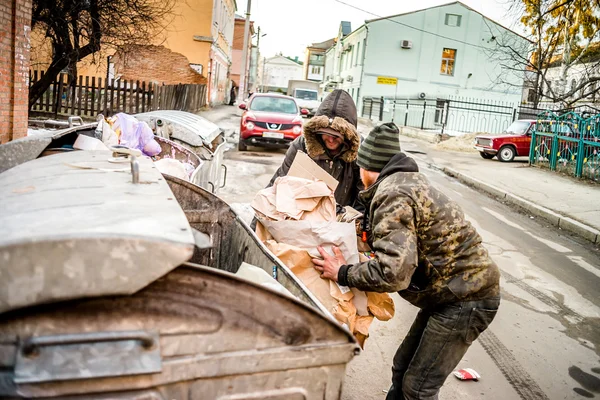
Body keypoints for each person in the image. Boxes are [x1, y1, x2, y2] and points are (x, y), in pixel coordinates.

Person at [312, 122, 501, 400]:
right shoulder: (403, 183)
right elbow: (401, 246)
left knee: (419, 387)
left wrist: (343, 272)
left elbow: (394, 272)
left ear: (367, 167)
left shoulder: (393, 193)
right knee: (403, 367)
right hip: (449, 293)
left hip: (466, 298)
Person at [267, 89, 362, 211]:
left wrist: (347, 219)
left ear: (348, 136)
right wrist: (253, 228)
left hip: (340, 223)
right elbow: (276, 187)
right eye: (326, 134)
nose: (331, 140)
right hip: (301, 219)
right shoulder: (301, 146)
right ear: (317, 131)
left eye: (336, 136)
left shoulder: (359, 153)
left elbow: (363, 199)